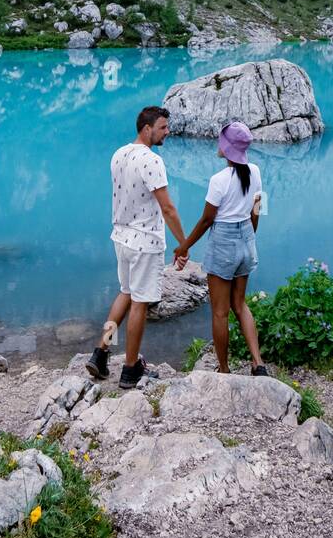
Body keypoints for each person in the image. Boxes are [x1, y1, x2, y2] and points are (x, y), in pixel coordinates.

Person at [86, 105, 187, 388]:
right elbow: (168, 208)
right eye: (163, 127)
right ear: (147, 129)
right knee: (140, 303)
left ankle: (100, 352)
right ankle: (130, 369)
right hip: (145, 241)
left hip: (121, 237)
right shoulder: (152, 161)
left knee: (125, 294)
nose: (167, 132)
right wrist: (183, 243)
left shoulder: (118, 154)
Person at [174, 120, 268, 376]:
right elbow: (258, 209)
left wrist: (183, 246)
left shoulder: (219, 180)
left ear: (227, 148)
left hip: (224, 242)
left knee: (219, 312)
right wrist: (251, 235)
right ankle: (258, 363)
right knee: (240, 305)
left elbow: (207, 220)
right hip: (247, 238)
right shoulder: (256, 171)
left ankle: (224, 369)